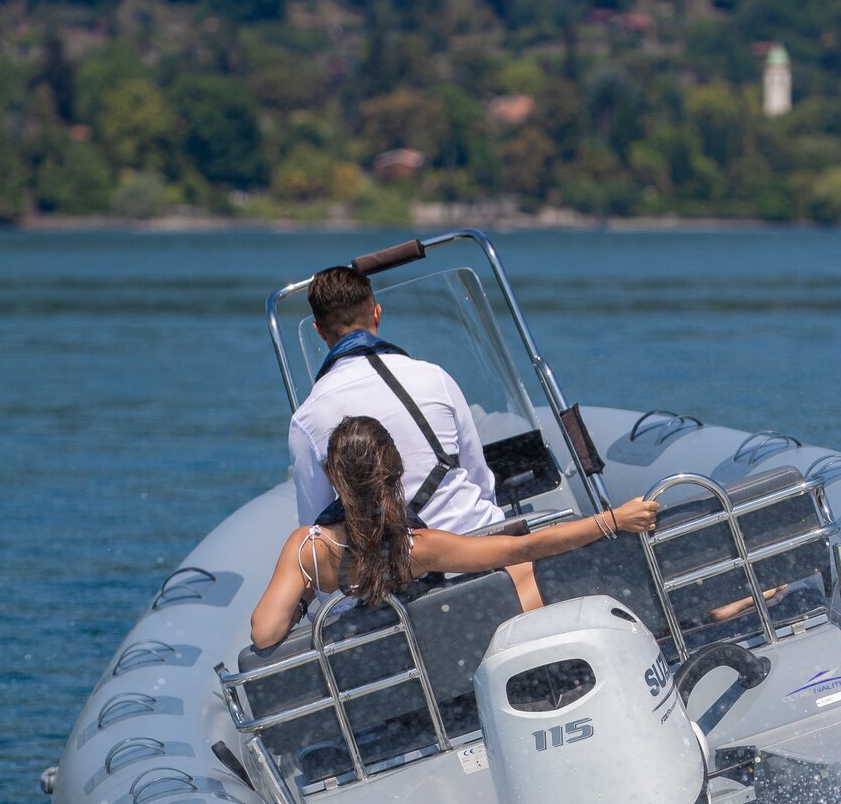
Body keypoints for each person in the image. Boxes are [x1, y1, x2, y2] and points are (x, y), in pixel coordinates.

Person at [252, 417, 660, 649]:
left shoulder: (307, 547)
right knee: (527, 566)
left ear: (333, 477)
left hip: (379, 657)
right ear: (396, 471)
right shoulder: (417, 549)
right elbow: (527, 546)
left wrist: (307, 596)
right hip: (440, 647)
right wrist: (613, 520)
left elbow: (265, 633)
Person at [289, 264, 499, 533]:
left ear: (318, 330)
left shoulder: (307, 418)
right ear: (377, 314)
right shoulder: (435, 377)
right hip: (476, 535)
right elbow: (480, 480)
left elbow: (315, 529)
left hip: (403, 565)